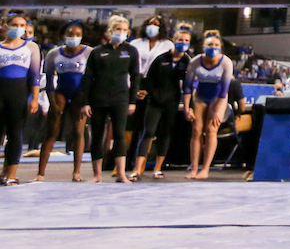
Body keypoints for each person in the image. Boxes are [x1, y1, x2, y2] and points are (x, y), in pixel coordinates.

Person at [80, 15, 139, 183]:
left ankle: (120, 173)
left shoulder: (130, 51)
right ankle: (97, 174)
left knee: (119, 134)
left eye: (124, 30)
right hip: (99, 98)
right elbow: (88, 78)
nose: (121, 33)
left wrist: (133, 101)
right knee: (98, 135)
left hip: (120, 98)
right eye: (118, 29)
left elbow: (135, 77)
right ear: (110, 31)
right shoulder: (97, 52)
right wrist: (86, 102)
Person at [36, 21, 91, 182]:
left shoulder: (88, 52)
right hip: (60, 92)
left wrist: (86, 99)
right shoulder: (54, 53)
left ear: (82, 36)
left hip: (79, 94)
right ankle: (40, 173)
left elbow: (92, 77)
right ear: (64, 35)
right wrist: (52, 100)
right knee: (52, 132)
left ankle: (77, 172)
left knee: (78, 131)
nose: (73, 37)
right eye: (70, 34)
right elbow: (49, 79)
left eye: (77, 35)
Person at [133, 27, 191, 180]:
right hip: (155, 102)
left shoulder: (186, 62)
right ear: (174, 41)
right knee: (148, 132)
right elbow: (149, 79)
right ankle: (138, 168)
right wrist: (152, 94)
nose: (183, 43)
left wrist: (186, 106)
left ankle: (158, 168)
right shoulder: (161, 58)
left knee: (165, 135)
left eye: (186, 41)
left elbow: (187, 85)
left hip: (171, 102)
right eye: (180, 40)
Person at [183, 30, 234, 180]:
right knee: (197, 130)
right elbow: (187, 86)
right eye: (210, 44)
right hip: (200, 96)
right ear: (204, 47)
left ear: (221, 47)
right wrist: (187, 108)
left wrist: (219, 110)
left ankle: (205, 169)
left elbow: (224, 90)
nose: (213, 47)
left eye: (216, 45)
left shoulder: (226, 62)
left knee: (211, 129)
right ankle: (194, 168)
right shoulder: (195, 61)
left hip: (218, 98)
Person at [1, 12, 41, 185]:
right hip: (1, 93)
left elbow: (35, 76)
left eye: (22, 25)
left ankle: (11, 172)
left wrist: (34, 98)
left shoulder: (31, 48)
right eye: (15, 25)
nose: (18, 29)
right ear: (5, 26)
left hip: (19, 95)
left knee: (15, 134)